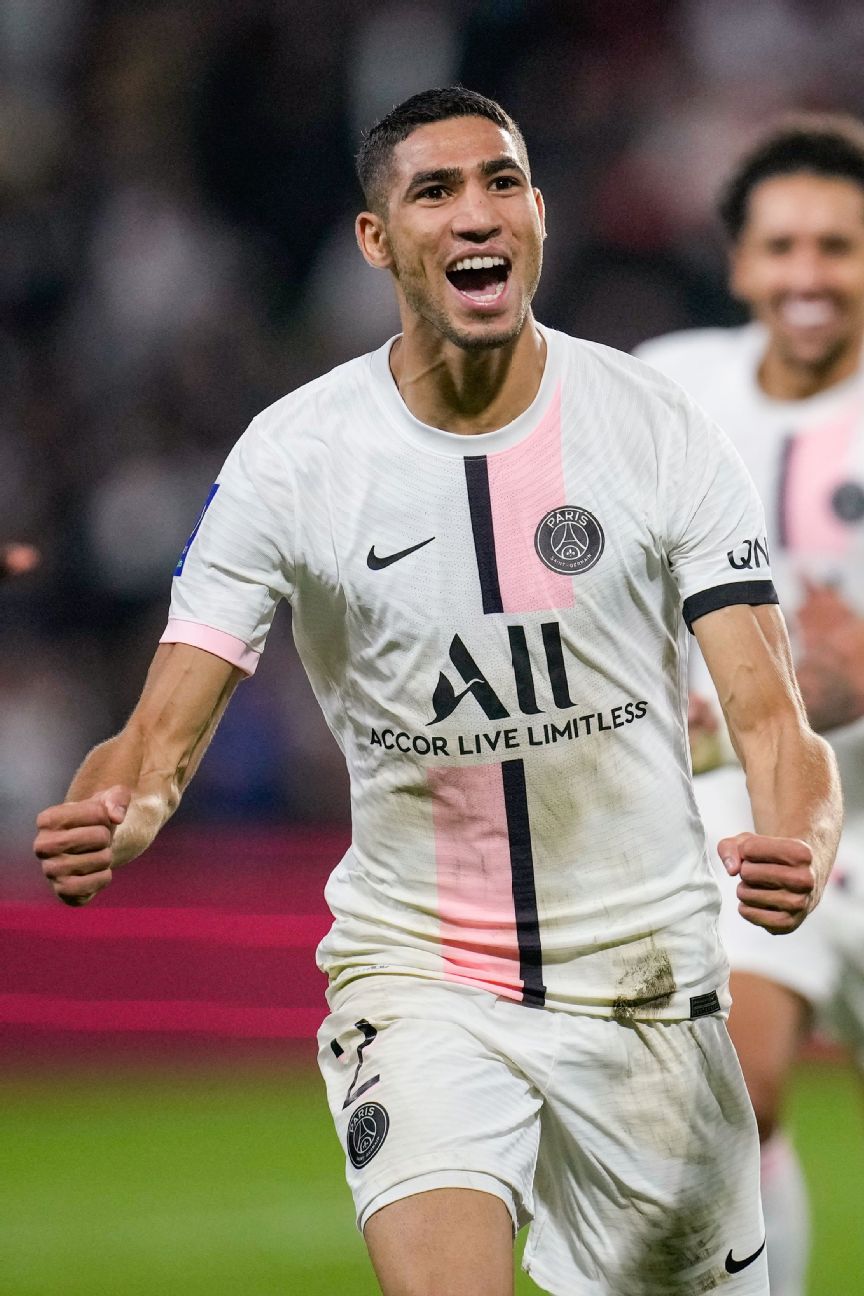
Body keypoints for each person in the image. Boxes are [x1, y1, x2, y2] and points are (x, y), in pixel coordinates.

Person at [33, 88, 841, 1296]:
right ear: (376, 240)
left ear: (539, 215)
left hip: (645, 977)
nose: (479, 213)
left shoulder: (654, 425)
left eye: (502, 182)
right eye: (436, 190)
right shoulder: (295, 457)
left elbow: (772, 716)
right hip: (422, 974)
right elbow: (155, 734)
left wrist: (804, 834)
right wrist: (121, 809)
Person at [636, 114, 864, 1296]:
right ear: (739, 264)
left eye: (838, 246)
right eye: (783, 248)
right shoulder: (671, 387)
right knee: (738, 1097)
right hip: (756, 810)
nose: (808, 276)